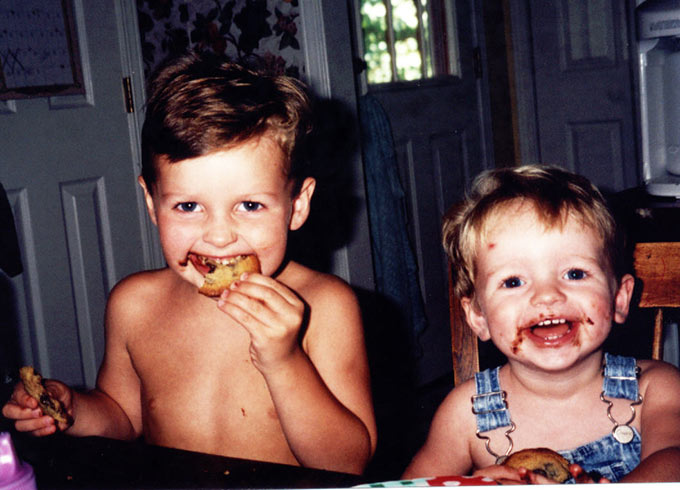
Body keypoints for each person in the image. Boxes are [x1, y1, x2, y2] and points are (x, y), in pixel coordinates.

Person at [2, 51, 376, 475]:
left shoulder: (324, 307)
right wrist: (69, 409)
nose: (218, 235)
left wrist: (284, 361)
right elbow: (122, 418)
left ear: (297, 205)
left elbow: (347, 462)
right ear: (151, 202)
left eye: (250, 205)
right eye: (188, 206)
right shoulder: (134, 305)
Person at [403, 165, 680, 483]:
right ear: (478, 317)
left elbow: (672, 460)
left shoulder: (655, 389)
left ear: (619, 298)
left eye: (574, 274)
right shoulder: (465, 415)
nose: (546, 295)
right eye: (513, 281)